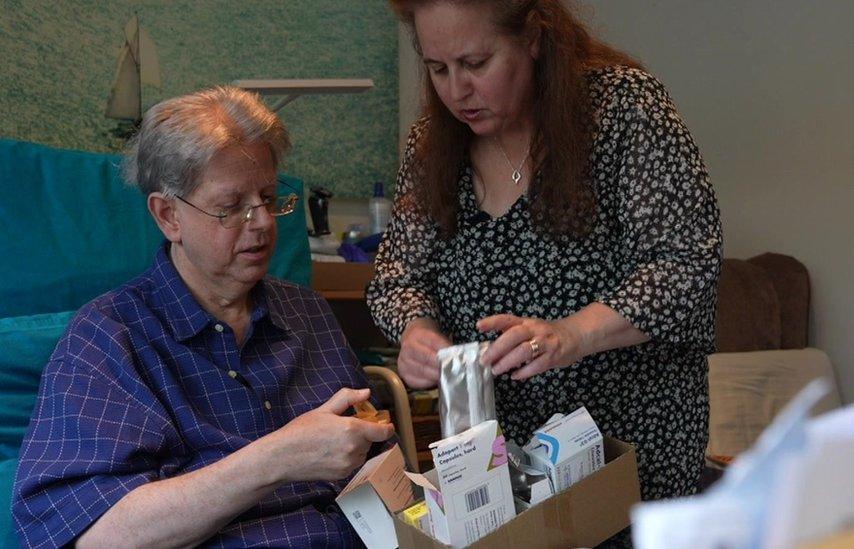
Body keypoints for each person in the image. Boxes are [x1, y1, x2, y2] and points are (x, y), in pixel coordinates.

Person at [368, 0, 722, 506]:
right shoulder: (433, 142)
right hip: (495, 462)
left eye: (475, 63)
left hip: (631, 446)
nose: (456, 90)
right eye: (437, 68)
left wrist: (569, 335)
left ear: (533, 38)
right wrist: (417, 330)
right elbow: (396, 279)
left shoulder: (622, 109)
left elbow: (685, 264)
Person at [13, 87, 394, 548]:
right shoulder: (109, 340)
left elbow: (381, 474)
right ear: (168, 215)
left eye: (269, 198)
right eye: (231, 207)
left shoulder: (307, 311)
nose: (262, 223)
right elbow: (95, 538)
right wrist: (276, 459)